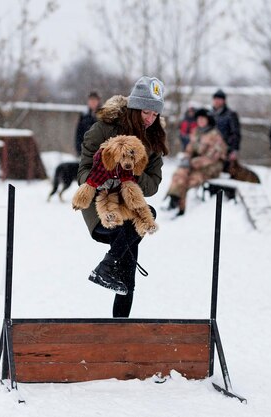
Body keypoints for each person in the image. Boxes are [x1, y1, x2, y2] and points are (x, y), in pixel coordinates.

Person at [77, 76, 169, 318]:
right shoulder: (103, 130)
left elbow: (154, 184)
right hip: (101, 206)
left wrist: (132, 175)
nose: (150, 119)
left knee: (127, 270)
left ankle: (120, 327)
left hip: (130, 203)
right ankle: (107, 266)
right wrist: (107, 176)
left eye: (155, 114)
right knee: (127, 238)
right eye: (146, 112)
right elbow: (83, 172)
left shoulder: (153, 139)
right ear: (133, 108)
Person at [166, 108, 227, 216]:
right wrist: (186, 158)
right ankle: (173, 198)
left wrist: (192, 162)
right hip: (195, 165)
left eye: (203, 119)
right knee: (179, 174)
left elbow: (212, 157)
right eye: (199, 118)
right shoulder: (196, 132)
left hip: (210, 168)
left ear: (208, 120)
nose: (200, 121)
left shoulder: (215, 135)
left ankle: (181, 208)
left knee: (189, 181)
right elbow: (189, 149)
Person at [211, 89, 241, 170]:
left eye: (219, 99)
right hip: (211, 150)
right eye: (215, 99)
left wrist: (234, 150)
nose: (217, 101)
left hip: (226, 150)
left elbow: (236, 133)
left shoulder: (231, 115)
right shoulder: (210, 114)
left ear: (224, 101)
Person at [75, 91, 101, 156]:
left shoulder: (102, 115)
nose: (92, 102)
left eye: (94, 100)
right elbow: (79, 134)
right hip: (85, 151)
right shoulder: (84, 115)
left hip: (99, 150)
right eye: (91, 100)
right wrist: (79, 150)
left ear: (98, 101)